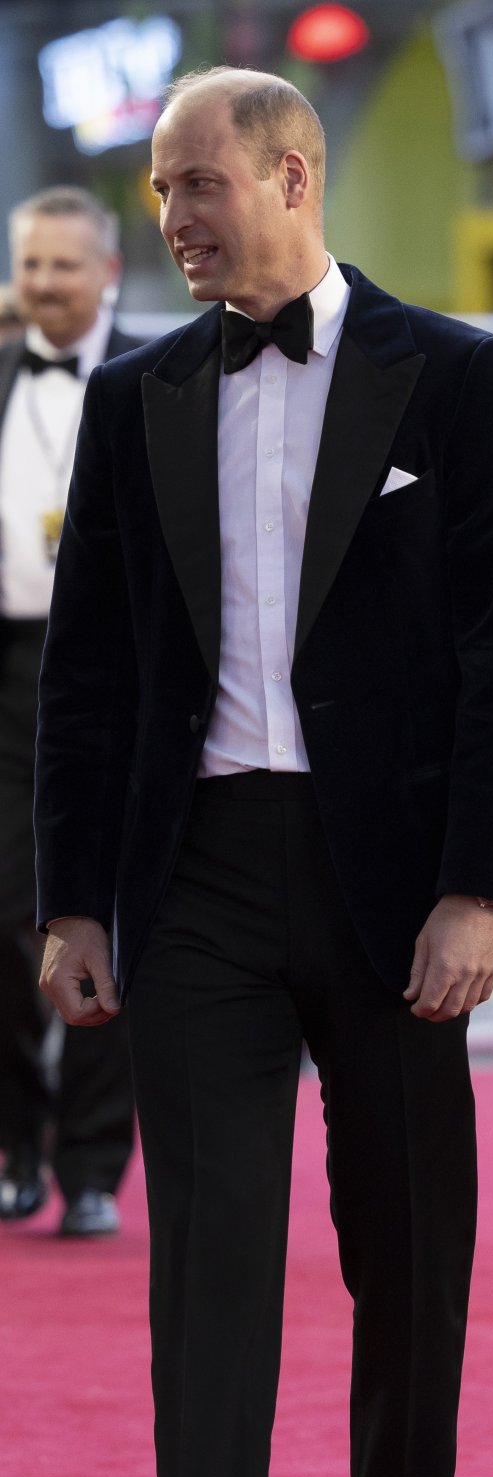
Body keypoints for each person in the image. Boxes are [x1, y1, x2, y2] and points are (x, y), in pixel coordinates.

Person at [35, 68, 493, 1477]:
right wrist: (70, 900)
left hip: (401, 887)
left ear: (291, 171)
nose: (172, 219)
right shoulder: (135, 398)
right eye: (157, 193)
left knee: (408, 1254)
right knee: (208, 1284)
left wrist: (483, 887)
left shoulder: (459, 379)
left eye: (197, 185)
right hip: (196, 882)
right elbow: (91, 673)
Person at [0, 188, 140, 1236]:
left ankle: (92, 1166)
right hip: (7, 673)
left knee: (108, 919)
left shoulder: (167, 377)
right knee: (7, 925)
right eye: (29, 264)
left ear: (109, 272)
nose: (44, 283)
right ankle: (17, 1149)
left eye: (62, 264)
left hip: (124, 679)